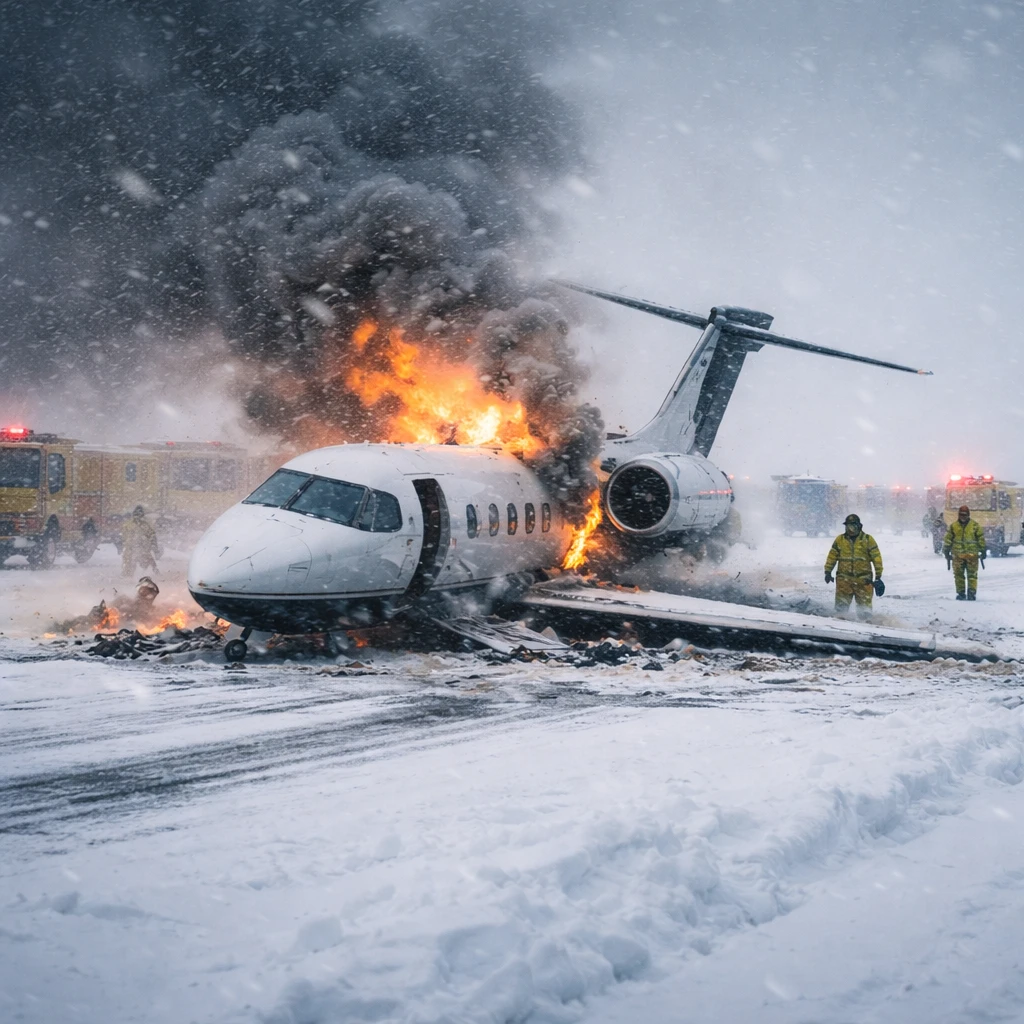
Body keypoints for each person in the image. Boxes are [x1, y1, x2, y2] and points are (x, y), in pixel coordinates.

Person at [824, 513, 883, 620]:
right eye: (848, 526)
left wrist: (878, 577)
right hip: (844, 581)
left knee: (865, 612)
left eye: (853, 526)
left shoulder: (868, 540)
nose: (850, 529)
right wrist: (828, 571)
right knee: (840, 611)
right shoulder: (840, 540)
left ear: (859, 526)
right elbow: (832, 556)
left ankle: (865, 629)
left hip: (864, 581)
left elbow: (877, 558)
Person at [943, 504, 986, 600]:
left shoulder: (974, 526)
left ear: (968, 515)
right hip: (959, 555)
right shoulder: (954, 527)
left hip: (971, 555)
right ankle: (961, 593)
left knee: (972, 575)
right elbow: (948, 539)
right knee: (959, 576)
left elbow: (981, 539)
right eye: (961, 515)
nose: (963, 517)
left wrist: (983, 550)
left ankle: (971, 592)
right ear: (958, 515)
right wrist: (946, 550)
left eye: (965, 515)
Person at [120, 506, 161, 578]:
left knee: (149, 561)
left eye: (139, 515)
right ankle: (127, 576)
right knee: (128, 562)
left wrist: (155, 549)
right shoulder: (128, 525)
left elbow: (152, 537)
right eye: (136, 515)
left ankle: (155, 573)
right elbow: (123, 537)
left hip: (142, 548)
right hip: (131, 548)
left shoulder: (145, 525)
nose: (137, 518)